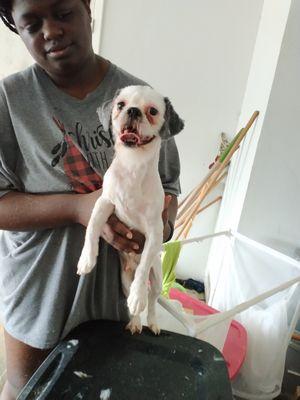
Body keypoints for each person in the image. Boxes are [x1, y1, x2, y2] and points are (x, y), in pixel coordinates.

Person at [0, 0, 181, 398]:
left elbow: (169, 188)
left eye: (63, 13)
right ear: (15, 27)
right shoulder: (9, 100)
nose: (51, 31)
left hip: (113, 303)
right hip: (38, 297)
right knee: (26, 389)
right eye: (31, 24)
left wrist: (159, 229)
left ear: (87, 8)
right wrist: (77, 208)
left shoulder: (142, 98)